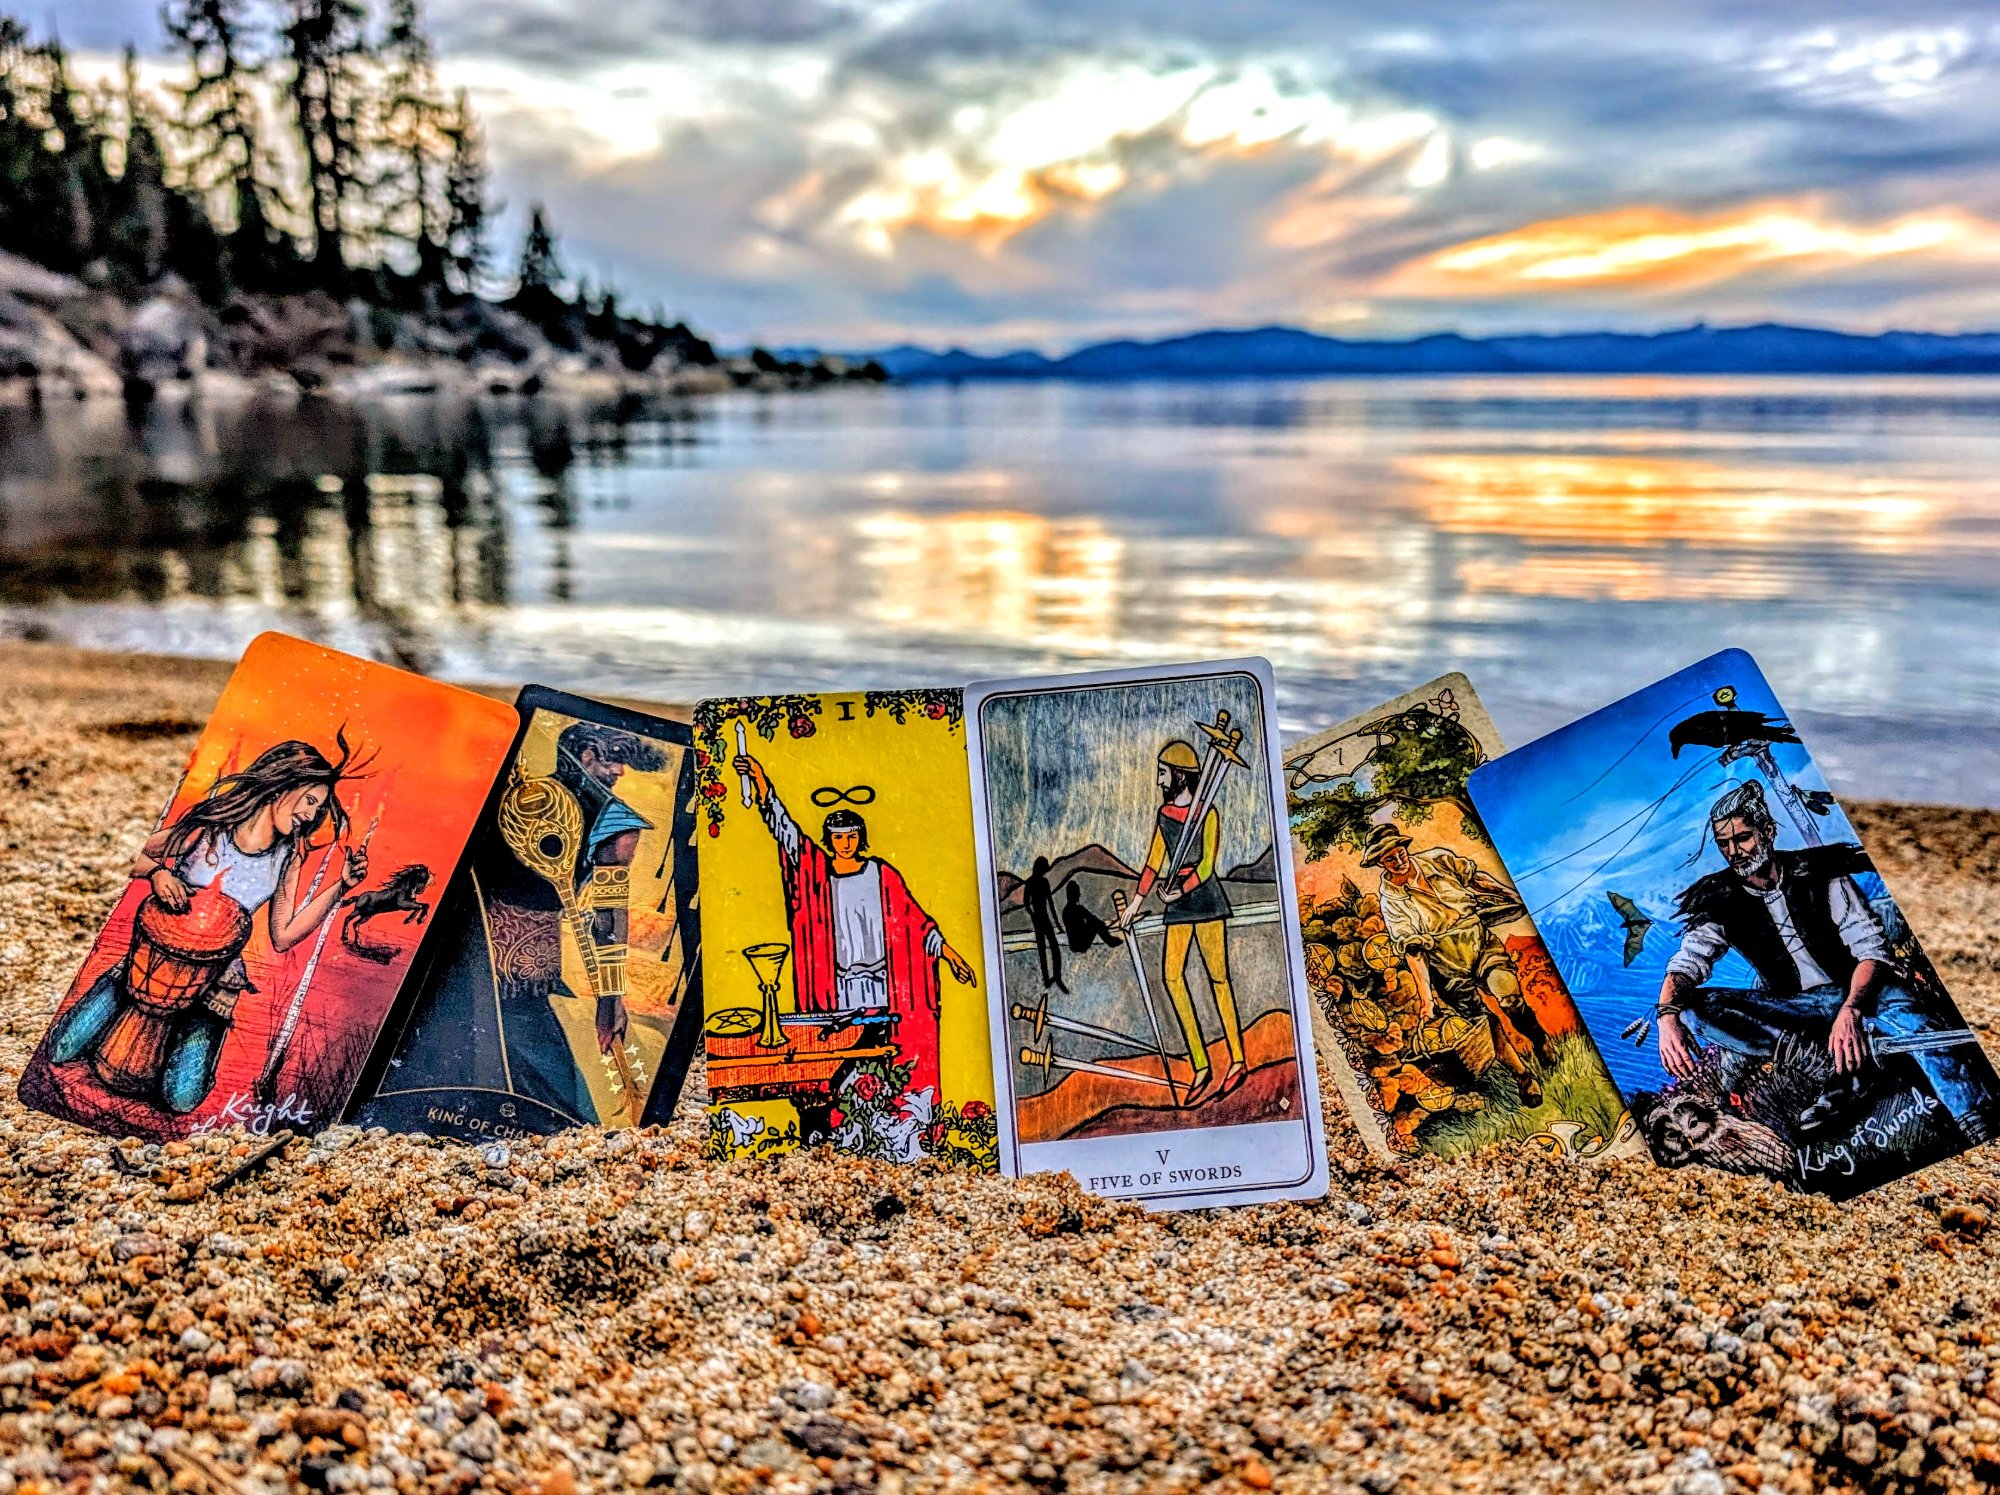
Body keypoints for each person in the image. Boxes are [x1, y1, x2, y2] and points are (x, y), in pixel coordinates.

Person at [1657, 781, 1997, 1142]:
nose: (1734, 852)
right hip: (1795, 1008)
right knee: (1693, 1008)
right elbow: (1686, 965)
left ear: (1767, 832)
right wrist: (1666, 1018)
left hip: (1860, 990)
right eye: (1724, 844)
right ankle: (1825, 1066)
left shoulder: (1820, 873)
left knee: (1917, 1027)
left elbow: (1871, 952)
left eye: (1742, 838)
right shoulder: (1718, 899)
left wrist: (1852, 1010)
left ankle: (1978, 1123)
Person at [46, 735, 369, 1114]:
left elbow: (283, 935)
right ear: (283, 785)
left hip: (216, 983)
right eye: (310, 800)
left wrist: (341, 887)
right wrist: (157, 875)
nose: (313, 814)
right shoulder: (211, 827)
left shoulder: (287, 856)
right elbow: (133, 856)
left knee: (182, 1098)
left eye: (319, 807)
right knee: (61, 1047)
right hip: (149, 965)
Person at [733, 751, 977, 1102]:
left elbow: (918, 926)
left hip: (884, 988)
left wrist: (951, 956)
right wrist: (760, 781)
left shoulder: (882, 875)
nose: (843, 844)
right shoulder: (816, 874)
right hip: (839, 990)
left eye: (849, 837)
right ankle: (846, 1125)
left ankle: (893, 1126)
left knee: (887, 1059)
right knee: (844, 1066)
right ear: (829, 839)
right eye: (836, 837)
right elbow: (786, 832)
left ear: (859, 838)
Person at [1362, 823, 1546, 1105]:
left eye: (1399, 852)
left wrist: (1509, 895)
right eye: (1388, 858)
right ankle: (1524, 1078)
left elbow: (1477, 879)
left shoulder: (1438, 859)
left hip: (1478, 942)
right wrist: (1427, 999)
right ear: (1379, 863)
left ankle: (1539, 1038)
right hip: (1444, 966)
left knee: (1509, 996)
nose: (1398, 860)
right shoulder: (1391, 902)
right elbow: (1413, 951)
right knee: (1484, 1023)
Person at [1121, 739, 1243, 1104]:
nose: (1159, 780)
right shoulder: (1164, 816)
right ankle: (1200, 1063)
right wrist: (1136, 902)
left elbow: (1206, 866)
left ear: (1180, 775)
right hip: (1176, 901)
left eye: (1163, 772)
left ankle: (1237, 1061)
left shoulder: (1208, 813)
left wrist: (1181, 889)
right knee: (1171, 977)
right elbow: (1153, 862)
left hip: (1203, 898)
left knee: (1218, 977)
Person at [1022, 856, 1067, 992]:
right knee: (1047, 949)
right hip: (1041, 920)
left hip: (1042, 919)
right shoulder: (1033, 882)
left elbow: (1049, 903)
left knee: (1050, 948)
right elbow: (1027, 902)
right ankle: (1049, 979)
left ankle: (1054, 978)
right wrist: (1034, 915)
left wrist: (1057, 924)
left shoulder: (1039, 882)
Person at [1062, 881, 1122, 954]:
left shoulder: (1065, 911)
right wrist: (1103, 924)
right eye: (1077, 893)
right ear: (1073, 894)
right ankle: (1109, 941)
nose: (1079, 895)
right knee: (1094, 923)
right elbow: (1092, 918)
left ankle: (1109, 940)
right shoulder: (1078, 908)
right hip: (1081, 944)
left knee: (1094, 922)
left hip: (1074, 945)